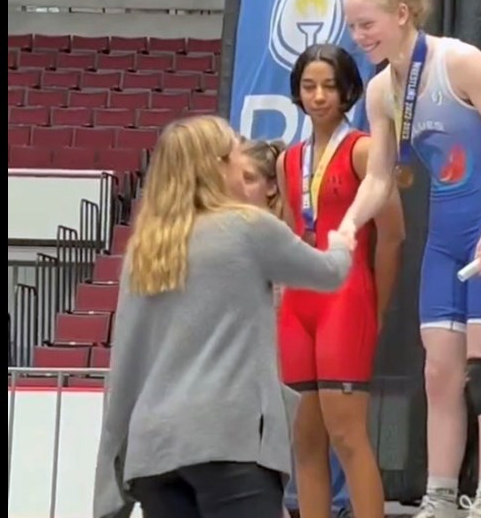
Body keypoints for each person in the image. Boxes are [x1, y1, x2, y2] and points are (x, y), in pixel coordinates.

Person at [340, 0, 481, 518]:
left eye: (368, 24)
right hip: (445, 240)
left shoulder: (459, 62)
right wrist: (349, 224)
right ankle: (441, 496)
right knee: (438, 373)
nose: (360, 37)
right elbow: (379, 177)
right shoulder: (380, 91)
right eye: (353, 27)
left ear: (403, 14)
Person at [92, 115, 355, 518]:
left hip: (154, 452)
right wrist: (342, 243)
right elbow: (328, 274)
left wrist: (110, 480)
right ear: (216, 167)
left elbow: (126, 365)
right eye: (235, 156)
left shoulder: (145, 250)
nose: (241, 165)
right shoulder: (248, 228)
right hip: (229, 440)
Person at [276, 44, 405, 518]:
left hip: (347, 300)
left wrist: (375, 304)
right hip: (297, 306)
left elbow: (392, 237)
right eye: (309, 86)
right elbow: (293, 235)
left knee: (348, 437)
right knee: (304, 441)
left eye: (329, 86)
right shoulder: (287, 160)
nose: (318, 96)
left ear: (349, 90)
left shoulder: (365, 151)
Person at [238, 137, 355, 518]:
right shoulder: (229, 232)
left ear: (273, 185)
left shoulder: (282, 234)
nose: (239, 187)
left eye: (250, 178)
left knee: (303, 437)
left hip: (286, 351)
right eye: (234, 178)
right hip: (248, 360)